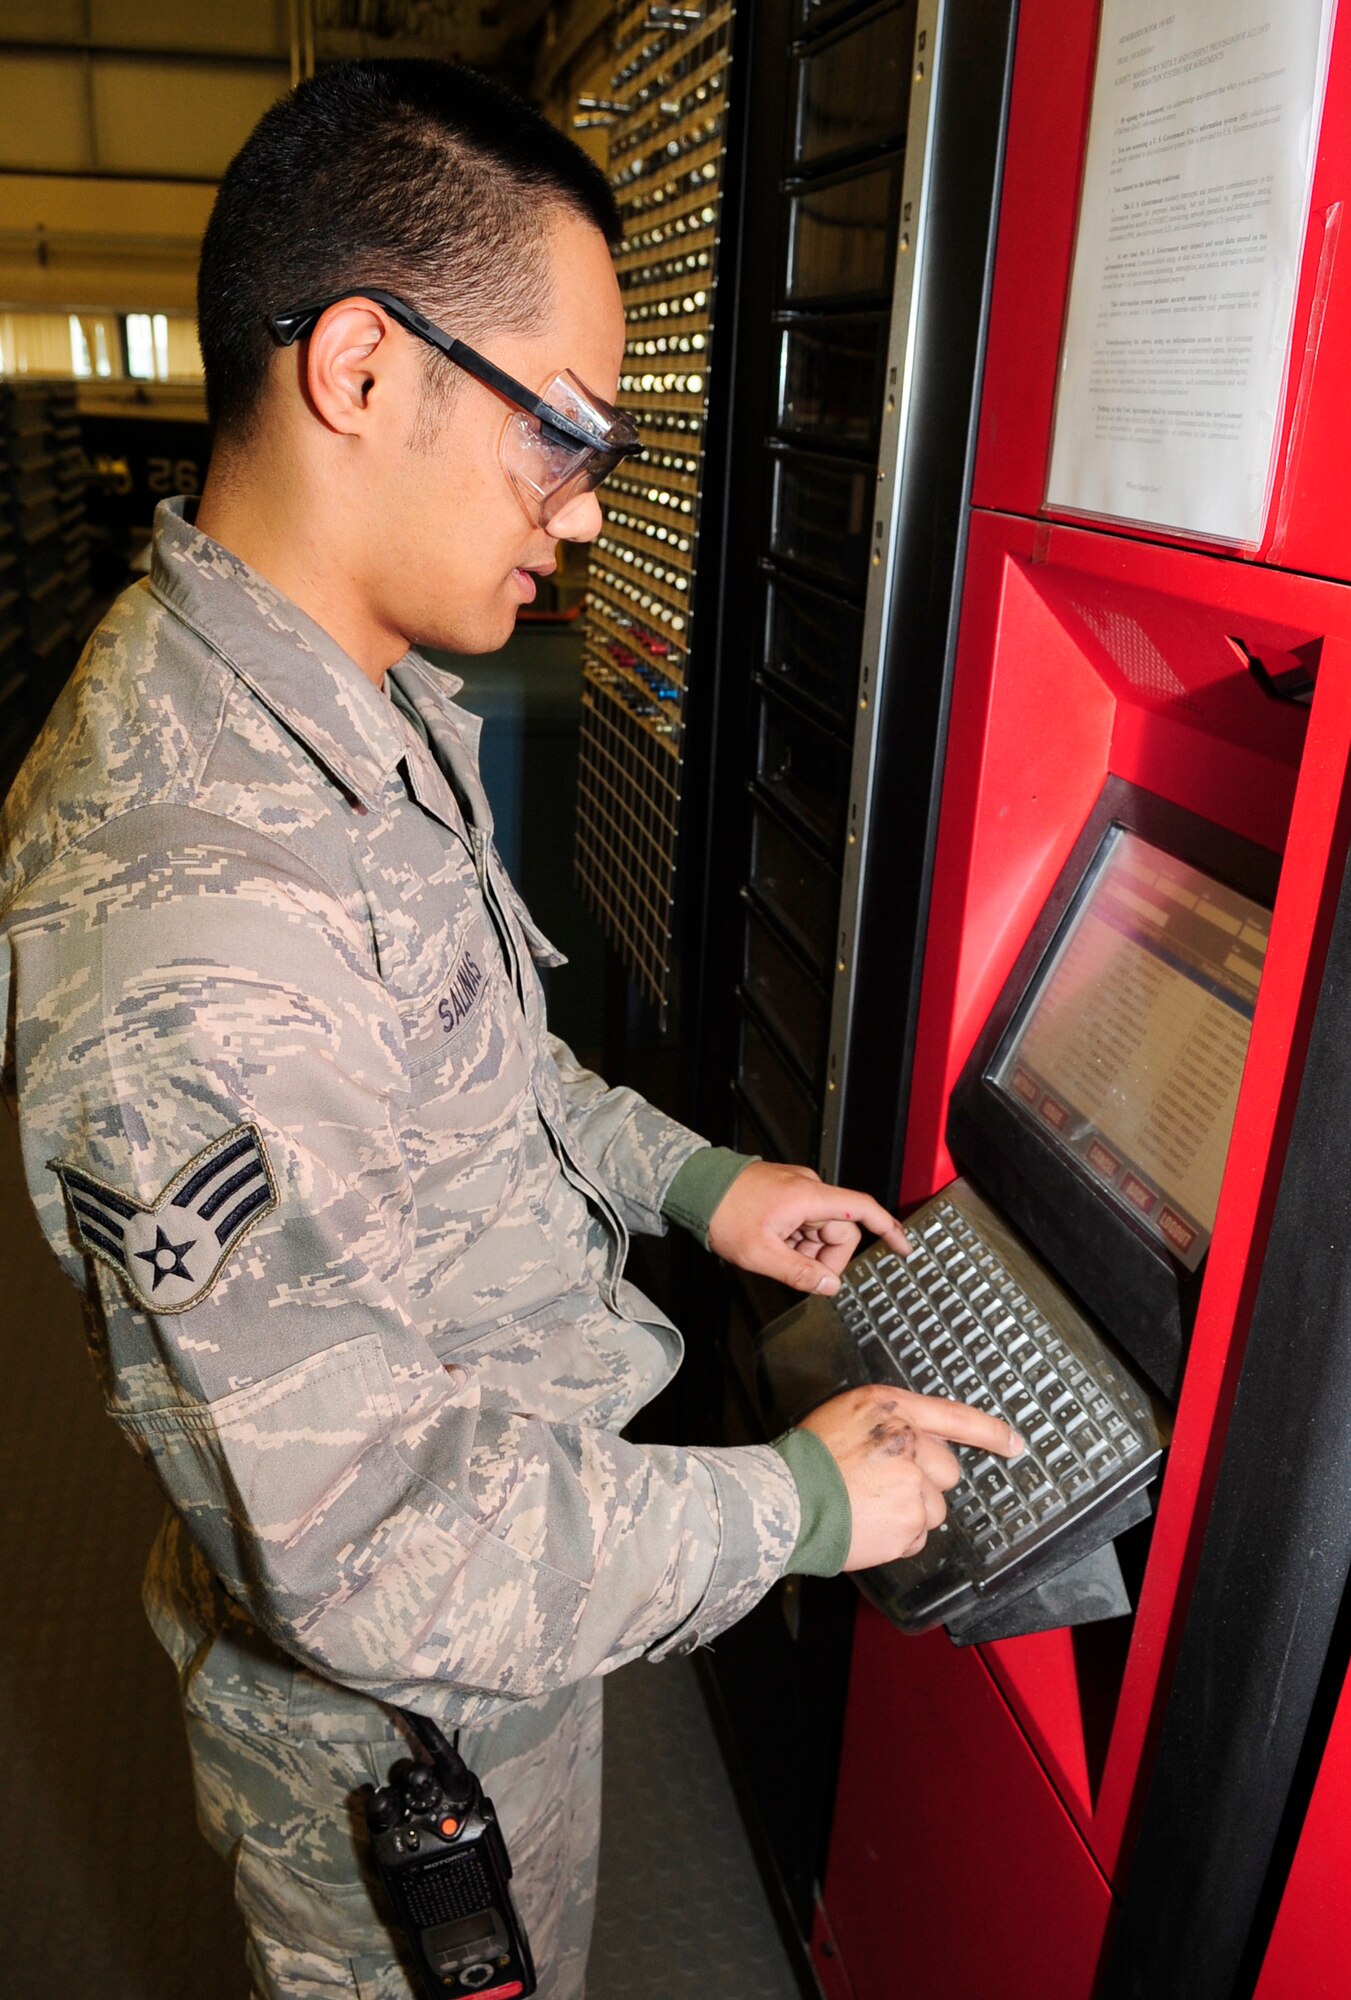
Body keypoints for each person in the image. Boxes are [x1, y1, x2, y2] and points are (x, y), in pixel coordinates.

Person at [0, 59, 1022, 2000]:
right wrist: (808, 1500)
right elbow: (378, 1548)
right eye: (562, 436)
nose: (576, 510)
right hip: (405, 1730)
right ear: (363, 371)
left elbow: (478, 1061)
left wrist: (705, 1186)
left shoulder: (325, 689)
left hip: (531, 1585)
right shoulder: (194, 916)